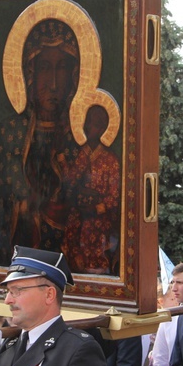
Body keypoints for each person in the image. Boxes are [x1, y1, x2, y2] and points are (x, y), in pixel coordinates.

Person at [0, 20, 82, 265]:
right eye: (44, 68)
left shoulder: (80, 138)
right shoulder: (7, 134)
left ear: (74, 75)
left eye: (62, 68)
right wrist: (26, 207)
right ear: (30, 73)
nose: (53, 83)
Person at [61, 104, 121, 275]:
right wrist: (63, 162)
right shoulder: (82, 154)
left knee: (94, 255)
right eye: (86, 122)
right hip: (79, 213)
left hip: (99, 219)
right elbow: (71, 180)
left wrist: (95, 209)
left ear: (102, 128)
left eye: (93, 124)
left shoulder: (111, 160)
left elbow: (114, 196)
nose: (88, 127)